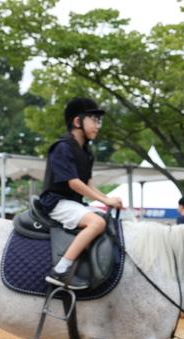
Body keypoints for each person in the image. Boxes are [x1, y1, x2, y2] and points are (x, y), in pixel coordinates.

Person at [39, 97, 123, 290]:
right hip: (56, 202)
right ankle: (60, 271)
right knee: (97, 223)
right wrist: (105, 200)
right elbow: (74, 183)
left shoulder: (86, 152)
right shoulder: (61, 147)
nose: (98, 126)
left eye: (99, 121)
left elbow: (88, 183)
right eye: (94, 120)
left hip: (72, 203)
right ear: (77, 121)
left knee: (104, 218)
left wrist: (107, 199)